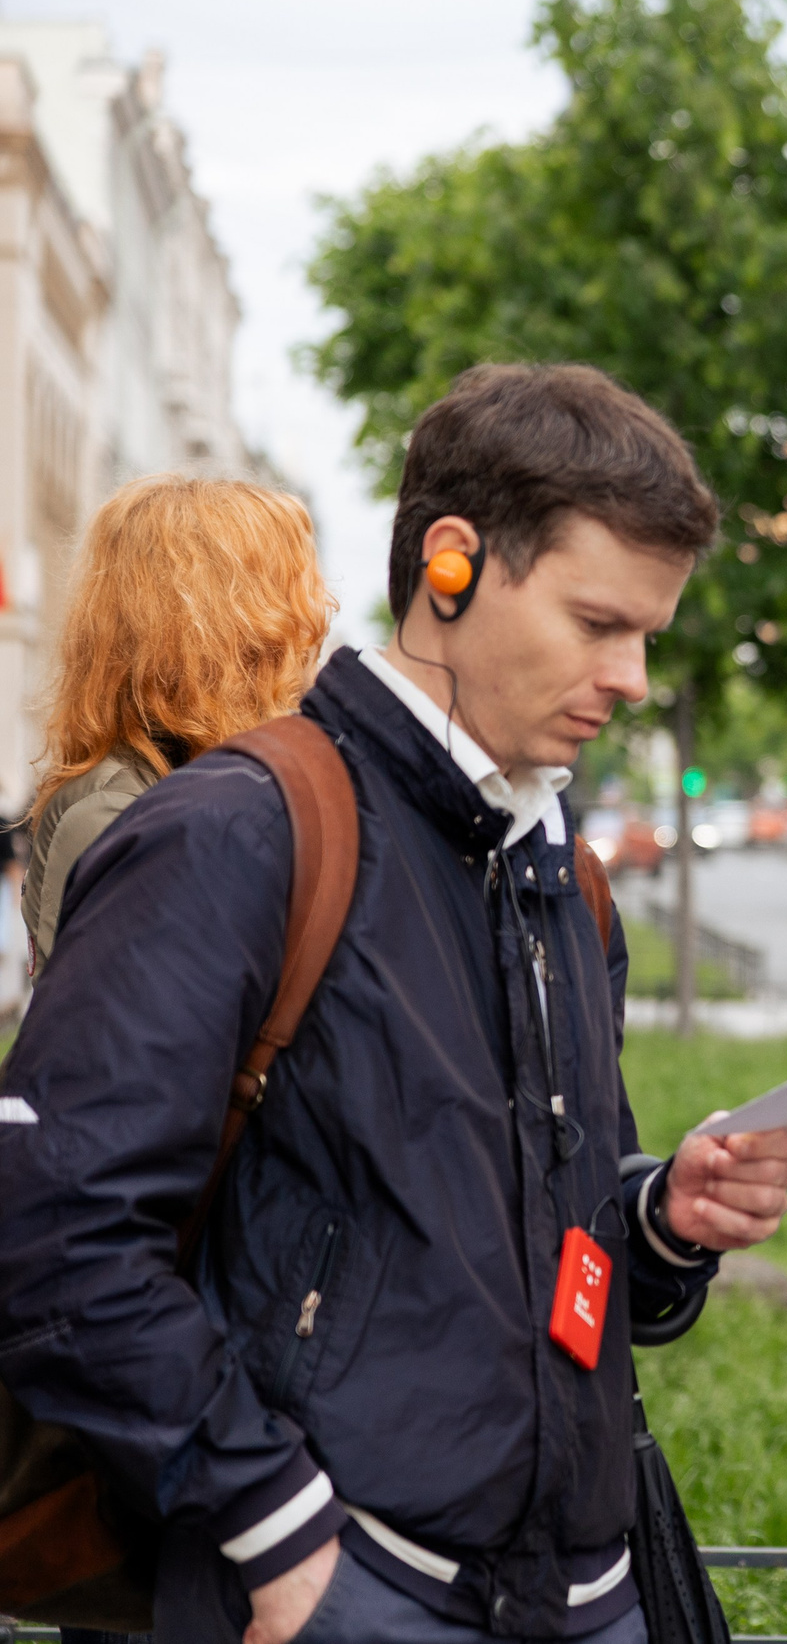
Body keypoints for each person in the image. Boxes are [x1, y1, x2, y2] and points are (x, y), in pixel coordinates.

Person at [0, 363, 787, 1644]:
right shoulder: (239, 831)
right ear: (451, 564)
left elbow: (555, 1241)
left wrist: (663, 1218)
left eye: (651, 633)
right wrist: (275, 1531)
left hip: (582, 1585)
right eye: (600, 623)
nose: (636, 675)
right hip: (347, 1588)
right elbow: (55, 1235)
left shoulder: (567, 878)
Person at [16, 475, 335, 1644]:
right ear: (226, 609)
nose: (319, 614)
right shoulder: (135, 811)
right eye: (294, 591)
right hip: (158, 1297)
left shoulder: (181, 786)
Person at [23, 475, 336, 979]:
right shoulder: (116, 814)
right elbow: (112, 1042)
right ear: (236, 625)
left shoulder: (210, 777)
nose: (317, 617)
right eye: (292, 591)